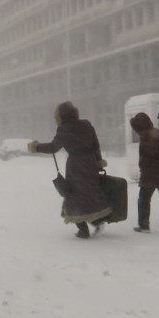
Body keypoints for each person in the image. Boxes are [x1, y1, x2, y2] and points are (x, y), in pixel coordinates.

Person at [27, 102, 111, 239]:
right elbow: (96, 145)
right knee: (90, 195)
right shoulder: (86, 125)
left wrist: (36, 147)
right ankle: (97, 222)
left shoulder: (64, 129)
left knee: (73, 197)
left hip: (76, 167)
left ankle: (83, 230)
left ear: (61, 116)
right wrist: (98, 162)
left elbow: (53, 147)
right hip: (90, 164)